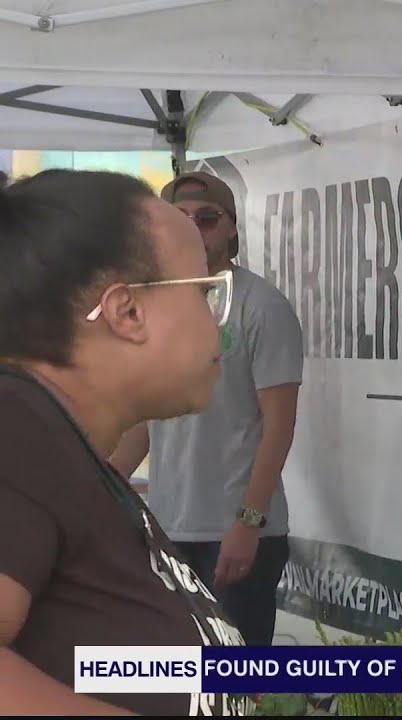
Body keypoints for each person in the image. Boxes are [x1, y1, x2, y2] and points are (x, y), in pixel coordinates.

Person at [0, 168, 251, 715]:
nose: (216, 325)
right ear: (127, 312)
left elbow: (106, 664)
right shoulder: (16, 431)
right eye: (205, 293)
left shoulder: (77, 465)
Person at [111, 171, 304, 648]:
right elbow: (148, 420)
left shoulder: (262, 307)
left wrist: (248, 522)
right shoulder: (157, 307)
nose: (194, 228)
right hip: (169, 528)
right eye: (179, 219)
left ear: (233, 229)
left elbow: (279, 425)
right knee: (180, 684)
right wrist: (103, 479)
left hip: (238, 531)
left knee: (237, 685)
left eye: (208, 218)